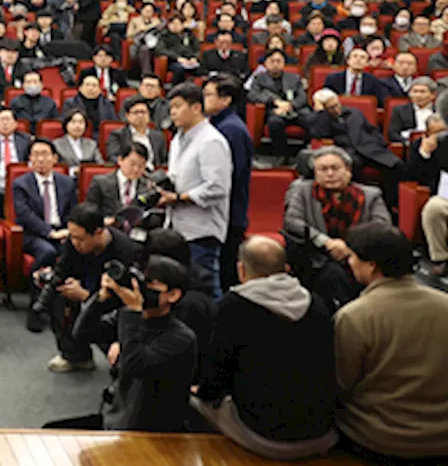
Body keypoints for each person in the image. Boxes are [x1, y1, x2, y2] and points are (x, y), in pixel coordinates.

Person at [192, 236, 338, 460]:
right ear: (286, 269)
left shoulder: (232, 307)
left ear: (241, 270)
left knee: (192, 401)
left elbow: (214, 377)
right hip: (323, 432)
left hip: (265, 436)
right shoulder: (318, 303)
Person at [334, 223, 448, 461]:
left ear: (371, 265)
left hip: (379, 437)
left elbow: (342, 382)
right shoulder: (444, 304)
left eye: (353, 257)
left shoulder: (355, 316)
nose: (349, 263)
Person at [44, 256, 196, 432]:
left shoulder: (181, 338)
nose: (140, 289)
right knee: (51, 432)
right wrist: (101, 299)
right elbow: (82, 334)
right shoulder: (131, 318)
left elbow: (134, 364)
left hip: (149, 432)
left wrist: (133, 312)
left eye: (150, 284)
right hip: (118, 419)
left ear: (173, 294)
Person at [283, 145, 389, 309]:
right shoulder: (302, 191)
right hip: (317, 257)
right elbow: (292, 221)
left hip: (360, 255)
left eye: (335, 168)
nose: (330, 174)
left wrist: (349, 246)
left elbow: (382, 225)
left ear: (348, 170)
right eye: (323, 169)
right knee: (331, 276)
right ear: (315, 173)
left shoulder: (370, 195)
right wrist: (326, 242)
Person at [160, 82, 232, 300]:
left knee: (205, 291)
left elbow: (218, 187)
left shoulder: (211, 141)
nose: (172, 112)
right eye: (171, 107)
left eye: (178, 106)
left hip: (202, 230)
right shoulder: (177, 139)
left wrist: (180, 197)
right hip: (177, 227)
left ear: (196, 108)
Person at [13, 139, 79, 333]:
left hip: (63, 232)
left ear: (55, 158)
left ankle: (67, 307)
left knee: (76, 252)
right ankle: (37, 305)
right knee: (47, 251)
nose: (40, 159)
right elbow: (24, 215)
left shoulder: (66, 182)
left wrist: (69, 231)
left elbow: (73, 211)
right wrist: (50, 232)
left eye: (45, 154)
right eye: (36, 155)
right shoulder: (21, 184)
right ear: (30, 159)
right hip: (33, 234)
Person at [204, 75, 254, 291]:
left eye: (208, 95)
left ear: (225, 100)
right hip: (222, 213)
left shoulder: (231, 129)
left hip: (228, 214)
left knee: (225, 277)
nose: (203, 99)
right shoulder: (218, 125)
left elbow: (232, 176)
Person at [84, 142, 152, 227]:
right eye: (132, 164)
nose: (136, 169)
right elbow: (89, 213)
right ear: (120, 160)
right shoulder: (100, 182)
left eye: (141, 166)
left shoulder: (147, 185)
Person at [104, 96, 166, 169]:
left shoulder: (158, 136)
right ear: (127, 116)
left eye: (143, 112)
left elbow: (163, 160)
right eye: (136, 112)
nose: (140, 115)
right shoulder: (118, 135)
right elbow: (113, 158)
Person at [388, 76, 437, 142]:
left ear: (433, 95)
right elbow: (392, 133)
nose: (418, 95)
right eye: (415, 91)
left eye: (422, 92)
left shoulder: (440, 110)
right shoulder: (399, 110)